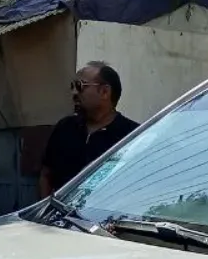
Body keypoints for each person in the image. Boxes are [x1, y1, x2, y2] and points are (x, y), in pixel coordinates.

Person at [38, 62, 138, 197]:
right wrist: (44, 210)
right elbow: (46, 174)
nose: (74, 92)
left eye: (80, 86)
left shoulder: (132, 136)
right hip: (58, 215)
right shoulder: (65, 127)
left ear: (104, 92)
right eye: (72, 86)